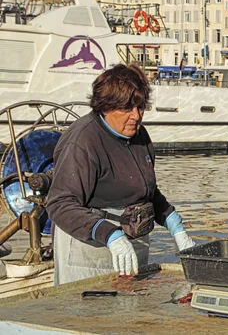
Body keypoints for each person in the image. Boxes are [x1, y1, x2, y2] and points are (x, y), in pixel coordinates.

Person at [46, 64, 196, 285]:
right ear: (106, 107)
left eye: (140, 107)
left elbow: (145, 189)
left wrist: (174, 224)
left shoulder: (139, 135)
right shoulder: (83, 141)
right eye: (126, 109)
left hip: (135, 240)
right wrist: (109, 234)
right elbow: (60, 204)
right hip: (91, 248)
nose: (136, 116)